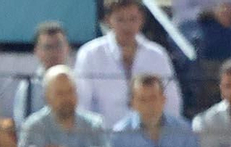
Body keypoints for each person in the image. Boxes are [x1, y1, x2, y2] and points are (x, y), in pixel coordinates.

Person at [72, 0, 182, 131]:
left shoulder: (157, 55)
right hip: (104, 137)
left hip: (150, 137)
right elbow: (82, 104)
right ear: (108, 20)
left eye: (133, 19)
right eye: (120, 20)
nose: (127, 26)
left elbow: (172, 102)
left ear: (141, 20)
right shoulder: (89, 54)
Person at [18, 66, 113, 147]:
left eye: (70, 91)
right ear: (47, 97)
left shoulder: (94, 123)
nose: (66, 98)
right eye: (60, 93)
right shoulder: (34, 126)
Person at [110, 72, 203, 147]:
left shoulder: (184, 131)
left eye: (153, 98)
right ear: (133, 103)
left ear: (163, 99)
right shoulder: (120, 135)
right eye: (142, 100)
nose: (149, 105)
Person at [7, 21, 70, 128]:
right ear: (37, 51)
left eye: (58, 46)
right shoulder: (29, 87)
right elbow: (22, 127)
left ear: (67, 48)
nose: (54, 52)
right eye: (48, 47)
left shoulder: (80, 82)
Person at [171, 0, 231, 65]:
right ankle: (192, 88)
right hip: (197, 22)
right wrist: (212, 13)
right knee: (187, 42)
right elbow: (181, 13)